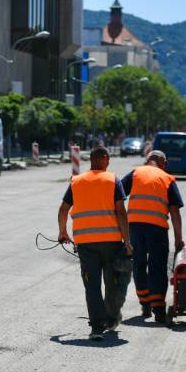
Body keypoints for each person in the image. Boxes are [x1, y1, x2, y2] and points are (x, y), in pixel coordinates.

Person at [58, 146, 134, 341]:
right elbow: (121, 212)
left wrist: (62, 232)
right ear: (106, 159)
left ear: (91, 160)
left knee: (92, 285)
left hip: (86, 244)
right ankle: (111, 319)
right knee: (112, 283)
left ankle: (97, 327)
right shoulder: (113, 180)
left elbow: (63, 210)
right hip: (111, 242)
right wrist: (127, 241)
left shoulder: (77, 181)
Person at [121, 150, 185, 323]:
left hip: (134, 228)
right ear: (162, 162)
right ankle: (158, 309)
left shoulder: (135, 173)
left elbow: (117, 197)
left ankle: (145, 303)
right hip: (157, 229)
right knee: (157, 267)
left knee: (139, 264)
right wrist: (179, 239)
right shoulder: (167, 178)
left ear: (147, 160)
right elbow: (175, 212)